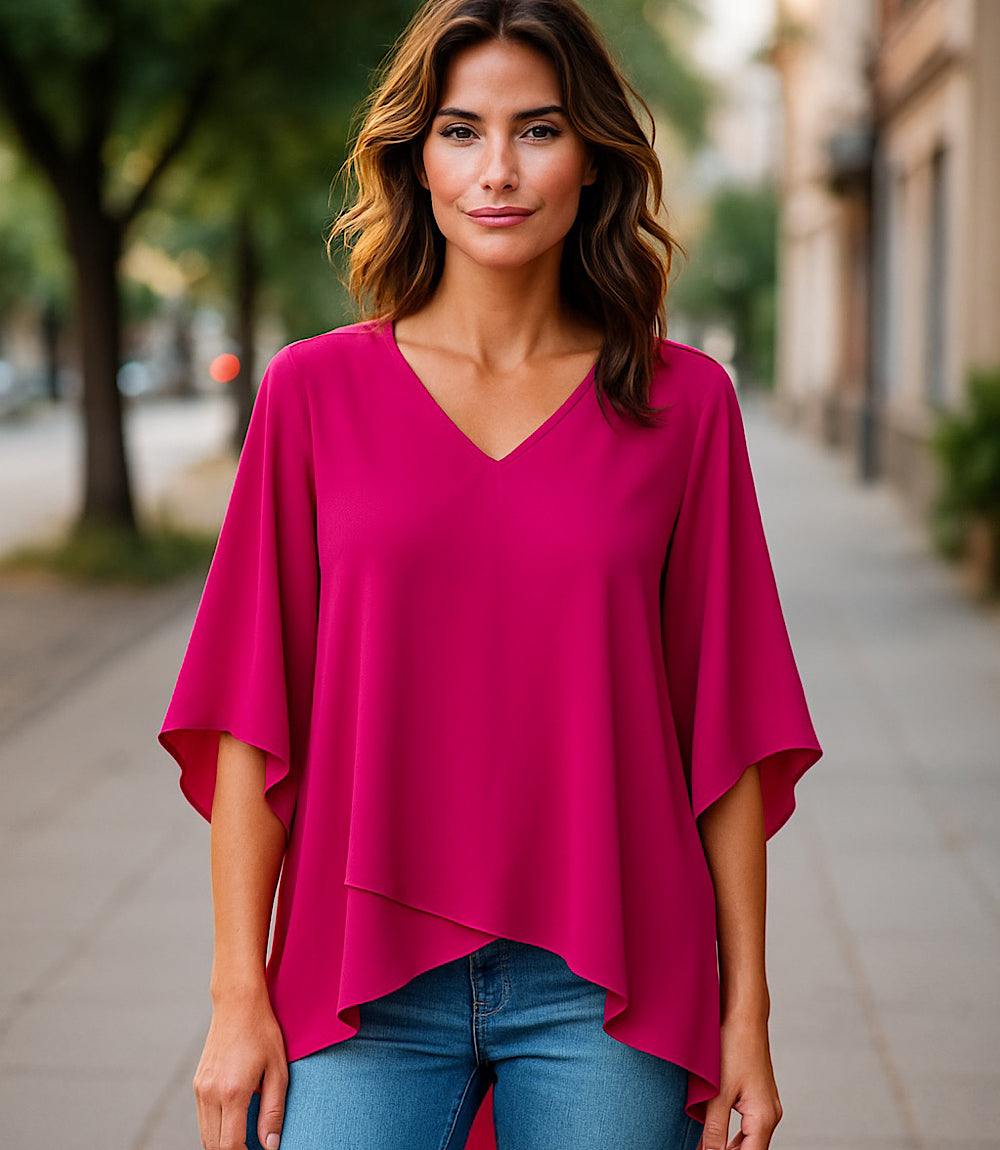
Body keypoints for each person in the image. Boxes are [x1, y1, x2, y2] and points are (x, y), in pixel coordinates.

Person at [156, 1, 824, 1148]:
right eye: (462, 131)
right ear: (416, 161)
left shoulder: (684, 407)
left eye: (539, 128)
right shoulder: (312, 396)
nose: (498, 170)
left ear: (593, 157)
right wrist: (235, 997)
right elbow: (250, 722)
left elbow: (724, 737)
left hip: (611, 986)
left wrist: (745, 1015)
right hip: (356, 981)